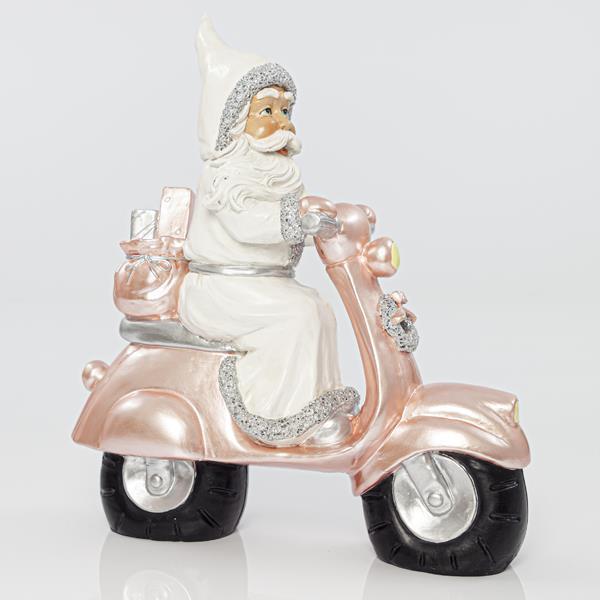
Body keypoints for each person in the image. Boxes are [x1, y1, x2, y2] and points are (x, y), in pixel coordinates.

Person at [179, 17, 358, 447]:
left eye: (285, 111)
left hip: (265, 284)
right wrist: (299, 220)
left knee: (318, 308)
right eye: (267, 112)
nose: (282, 123)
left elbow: (295, 216)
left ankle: (316, 405)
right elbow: (247, 223)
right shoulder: (226, 174)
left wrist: (328, 222)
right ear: (233, 121)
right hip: (222, 287)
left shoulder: (278, 172)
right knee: (296, 316)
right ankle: (277, 415)